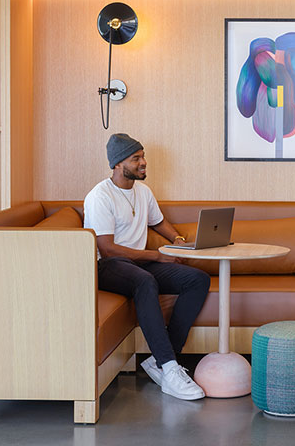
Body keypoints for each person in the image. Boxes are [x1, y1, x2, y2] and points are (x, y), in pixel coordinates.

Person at [83, 133, 212, 401]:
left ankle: (163, 359)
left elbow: (158, 222)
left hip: (138, 265)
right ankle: (170, 368)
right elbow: (106, 248)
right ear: (118, 164)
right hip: (107, 266)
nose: (144, 162)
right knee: (145, 281)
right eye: (136, 158)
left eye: (143, 156)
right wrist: (157, 255)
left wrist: (176, 240)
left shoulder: (143, 191)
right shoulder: (100, 196)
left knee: (198, 279)